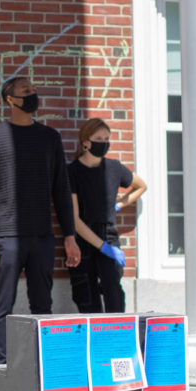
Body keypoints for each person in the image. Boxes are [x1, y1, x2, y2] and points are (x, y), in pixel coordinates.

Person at [0, 76, 80, 364]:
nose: (32, 95)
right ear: (10, 99)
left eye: (34, 90)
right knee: (3, 305)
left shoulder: (50, 138)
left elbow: (61, 190)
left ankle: (43, 367)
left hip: (43, 236)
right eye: (25, 91)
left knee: (42, 305)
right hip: (7, 236)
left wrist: (69, 236)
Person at [66, 118, 147, 313]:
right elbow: (75, 221)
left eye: (106, 138)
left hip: (109, 235)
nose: (104, 142)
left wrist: (119, 204)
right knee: (87, 296)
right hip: (84, 241)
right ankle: (93, 341)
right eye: (98, 138)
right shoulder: (72, 172)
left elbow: (141, 186)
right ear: (85, 141)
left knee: (114, 292)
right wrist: (102, 247)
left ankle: (117, 339)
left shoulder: (114, 167)